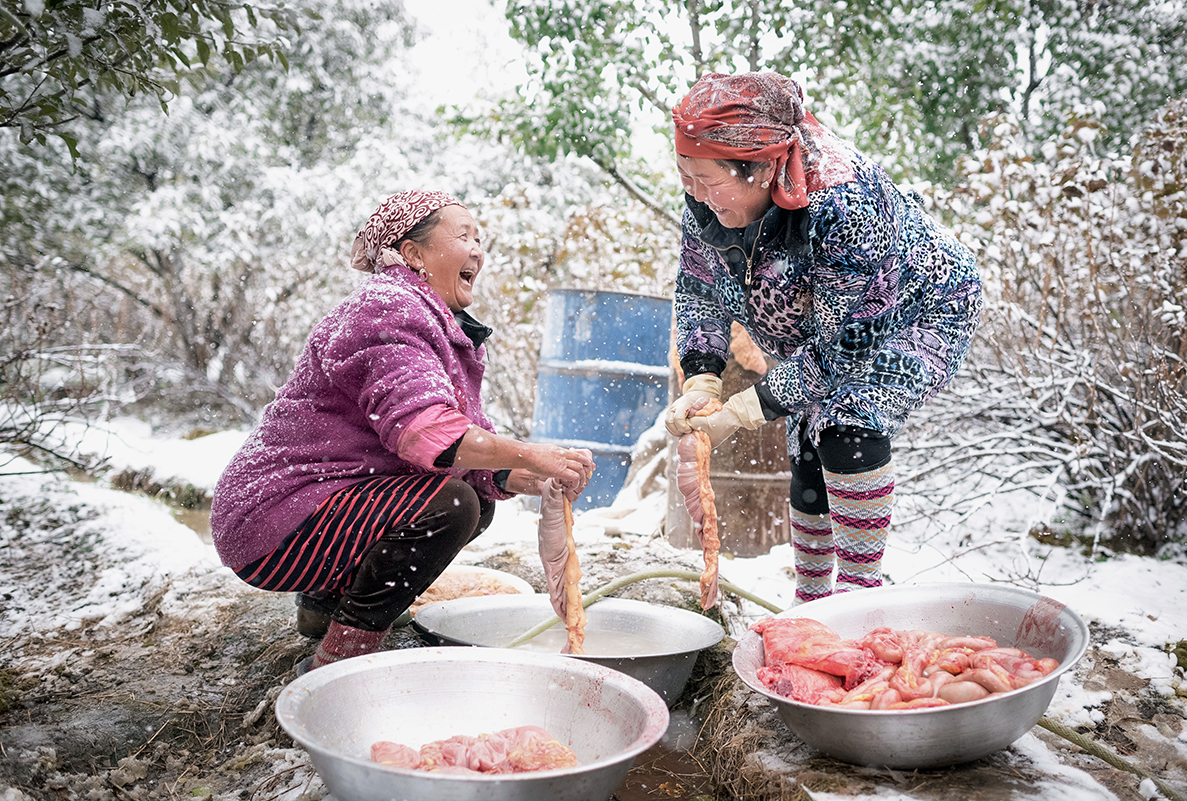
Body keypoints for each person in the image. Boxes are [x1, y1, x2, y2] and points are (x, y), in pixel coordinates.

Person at [210, 191, 594, 672]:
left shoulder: (433, 320)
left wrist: (528, 478)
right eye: (462, 235)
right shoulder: (388, 310)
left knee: (473, 504)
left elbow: (461, 446)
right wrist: (529, 454)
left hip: (308, 505)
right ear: (412, 254)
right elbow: (425, 433)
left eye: (479, 237)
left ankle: (324, 607)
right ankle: (341, 656)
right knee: (453, 507)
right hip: (271, 518)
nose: (477, 249)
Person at [666, 72, 981, 604]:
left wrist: (745, 410)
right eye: (685, 176)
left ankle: (860, 602)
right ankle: (811, 603)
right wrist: (702, 379)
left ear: (762, 168)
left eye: (707, 181)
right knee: (808, 440)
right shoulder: (705, 200)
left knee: (847, 420)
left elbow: (844, 348)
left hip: (916, 313)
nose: (694, 194)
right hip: (816, 325)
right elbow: (699, 288)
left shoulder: (843, 204)